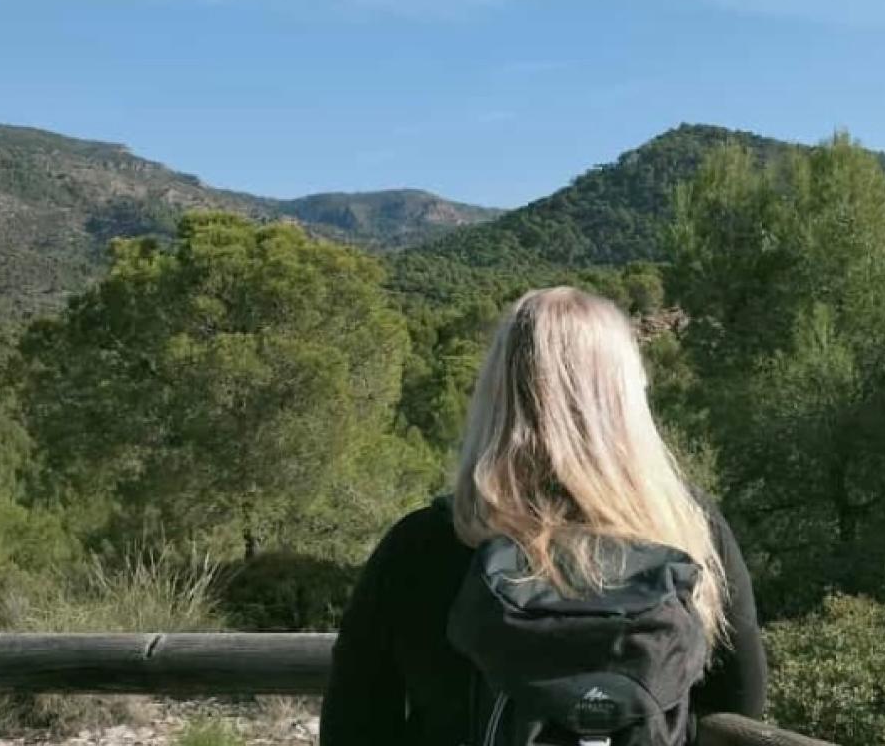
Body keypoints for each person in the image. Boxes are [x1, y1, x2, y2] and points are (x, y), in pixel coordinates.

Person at [320, 287, 766, 745]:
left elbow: (354, 725)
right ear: (627, 392)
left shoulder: (423, 545)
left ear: (497, 390)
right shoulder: (690, 527)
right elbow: (740, 708)